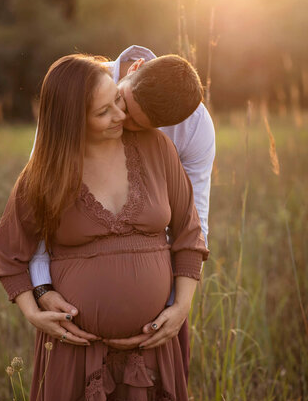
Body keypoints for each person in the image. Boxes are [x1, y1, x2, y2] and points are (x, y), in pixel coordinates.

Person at [0, 54, 209, 401]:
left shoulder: (155, 148)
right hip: (78, 354)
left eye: (118, 103)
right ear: (73, 119)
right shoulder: (48, 170)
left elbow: (191, 236)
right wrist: (33, 310)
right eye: (105, 112)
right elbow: (10, 253)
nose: (120, 119)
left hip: (152, 352)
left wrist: (180, 307)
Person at [28, 45, 215, 381]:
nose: (120, 121)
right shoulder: (78, 91)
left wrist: (174, 308)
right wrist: (41, 289)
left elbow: (193, 221)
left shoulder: (195, 127)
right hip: (75, 319)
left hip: (157, 316)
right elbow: (41, 199)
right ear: (133, 69)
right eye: (122, 106)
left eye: (139, 127)